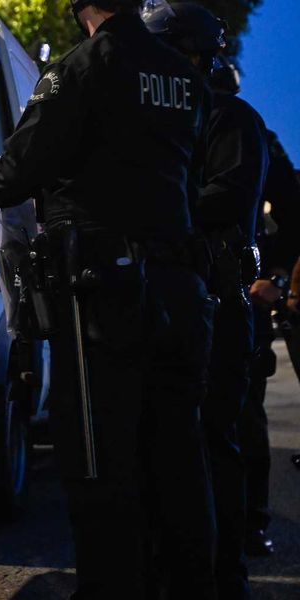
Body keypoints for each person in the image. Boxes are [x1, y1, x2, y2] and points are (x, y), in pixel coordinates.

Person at [0, 1, 216, 598]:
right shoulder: (184, 77)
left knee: (100, 456)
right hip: (179, 286)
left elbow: (23, 163)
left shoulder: (81, 67)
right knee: (179, 455)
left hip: (104, 293)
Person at [145, 4, 267, 598]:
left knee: (214, 440)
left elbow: (227, 197)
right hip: (165, 298)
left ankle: (223, 578)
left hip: (217, 298)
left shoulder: (230, 118)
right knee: (164, 446)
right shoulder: (159, 120)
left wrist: (149, 204)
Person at [241, 127, 300, 556]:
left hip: (240, 293)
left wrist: (276, 275)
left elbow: (292, 206)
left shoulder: (248, 129)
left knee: (244, 412)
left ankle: (251, 523)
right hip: (172, 289)